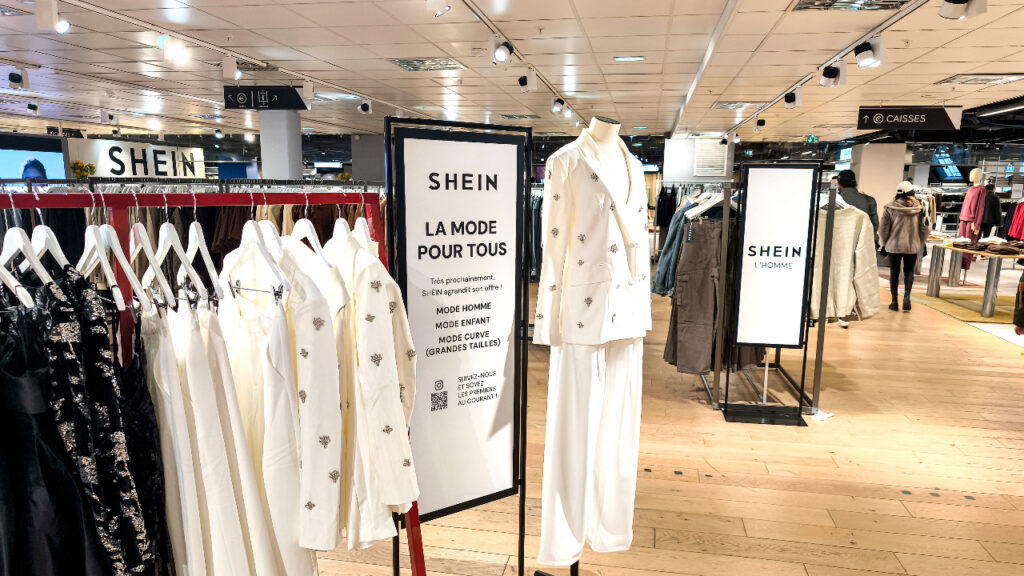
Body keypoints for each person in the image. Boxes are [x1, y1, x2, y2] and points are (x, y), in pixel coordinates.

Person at [878, 181, 930, 312]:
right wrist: (919, 241)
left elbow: (883, 229)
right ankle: (907, 296)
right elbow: (926, 228)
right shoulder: (921, 207)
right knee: (909, 271)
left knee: (894, 272)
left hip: (894, 245)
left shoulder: (890, 207)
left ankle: (894, 302)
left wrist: (883, 243)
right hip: (912, 245)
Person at [836, 169, 879, 245]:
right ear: (854, 183)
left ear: (839, 183)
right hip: (863, 244)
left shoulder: (833, 200)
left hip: (839, 244)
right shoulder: (869, 200)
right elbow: (875, 225)